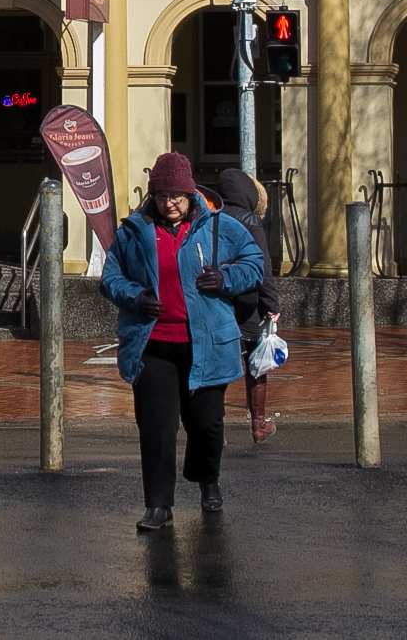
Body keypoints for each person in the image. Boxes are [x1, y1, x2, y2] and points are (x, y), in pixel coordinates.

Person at [102, 151, 265, 529]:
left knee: (207, 425)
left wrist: (226, 278)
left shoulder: (220, 227)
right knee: (157, 428)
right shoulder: (134, 231)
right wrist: (135, 296)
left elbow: (255, 264)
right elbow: (111, 277)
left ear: (191, 194)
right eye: (162, 196)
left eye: (176, 196)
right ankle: (158, 505)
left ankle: (207, 479)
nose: (169, 203)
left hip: (206, 344)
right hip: (153, 345)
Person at [211, 168, 282, 442]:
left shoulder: (211, 217)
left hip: (217, 300)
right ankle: (258, 424)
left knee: (219, 366)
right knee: (256, 364)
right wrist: (271, 304)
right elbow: (262, 267)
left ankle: (216, 428)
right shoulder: (250, 220)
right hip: (248, 303)